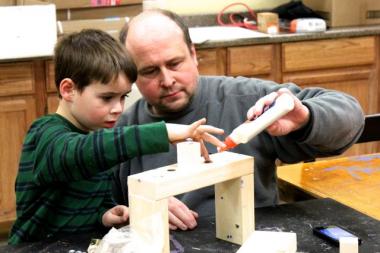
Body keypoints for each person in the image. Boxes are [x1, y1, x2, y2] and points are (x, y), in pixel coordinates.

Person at [113, 10, 365, 231]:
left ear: (193, 54)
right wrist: (140, 209)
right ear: (133, 75)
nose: (167, 80)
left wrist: (306, 119)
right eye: (149, 71)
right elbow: (99, 209)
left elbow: (350, 116)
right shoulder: (122, 132)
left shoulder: (246, 100)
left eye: (175, 63)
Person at [8, 29, 225, 245]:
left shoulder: (99, 139)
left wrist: (104, 215)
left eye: (123, 97)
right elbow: (79, 154)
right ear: (68, 90)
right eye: (107, 98)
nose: (118, 108)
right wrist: (163, 132)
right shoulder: (46, 134)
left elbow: (74, 209)